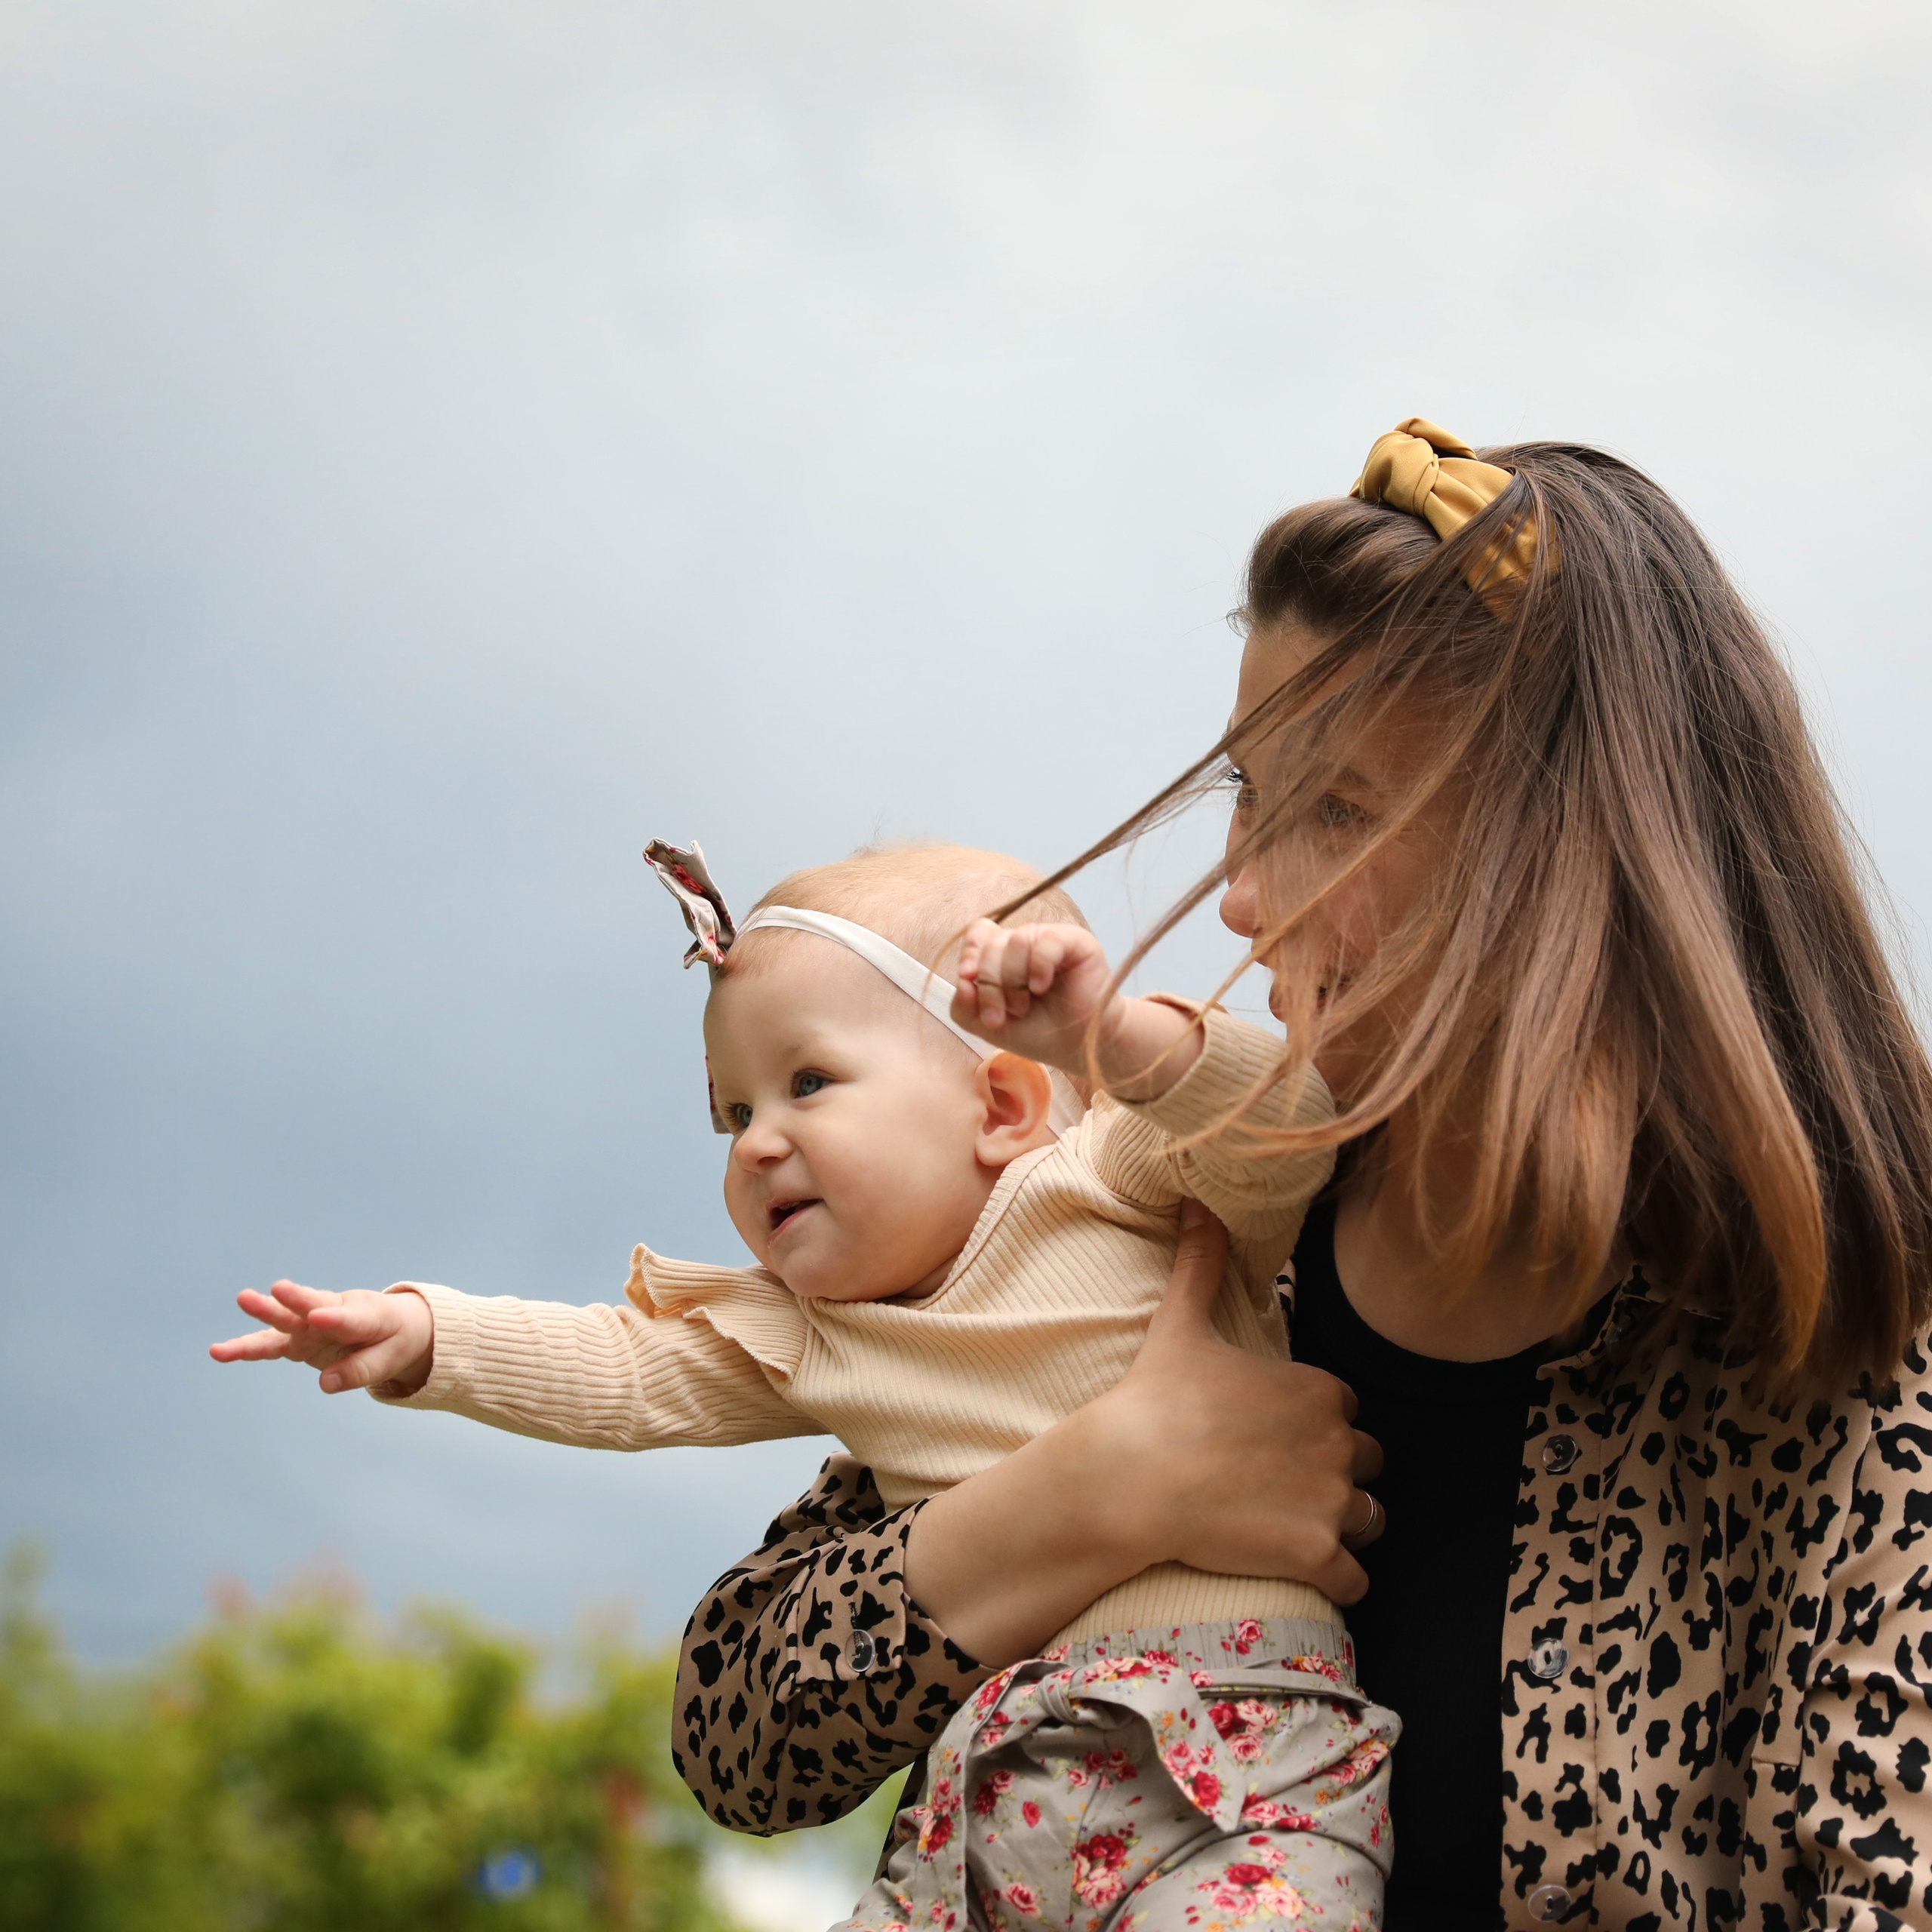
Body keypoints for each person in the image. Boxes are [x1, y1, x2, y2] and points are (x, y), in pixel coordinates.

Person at [670, 421, 1932, 1931]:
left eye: (1338, 807)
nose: (1248, 895)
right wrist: (1092, 1489)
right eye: (1246, 800)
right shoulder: (1191, 1203)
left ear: (1568, 849)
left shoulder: (1848, 1338)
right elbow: (735, 1729)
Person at [210, 839, 1400, 1930]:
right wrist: (426, 1336)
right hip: (996, 1788)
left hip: (1244, 1763)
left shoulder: (1118, 1182)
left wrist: (1105, 1032)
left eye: (809, 1084)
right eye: (733, 1110)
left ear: (1000, 1103)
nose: (755, 1144)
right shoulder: (814, 1330)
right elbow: (627, 1369)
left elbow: (1277, 1118)